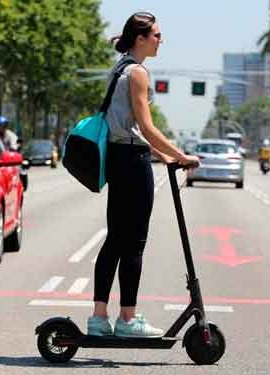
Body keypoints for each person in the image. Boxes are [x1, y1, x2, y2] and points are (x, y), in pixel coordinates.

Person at [87, 11, 200, 338]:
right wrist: (182, 155)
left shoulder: (118, 67)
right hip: (133, 164)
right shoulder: (137, 73)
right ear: (141, 38)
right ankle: (128, 319)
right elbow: (146, 127)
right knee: (134, 243)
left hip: (118, 158)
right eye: (156, 35)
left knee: (114, 240)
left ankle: (98, 318)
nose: (160, 40)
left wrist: (164, 156)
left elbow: (127, 127)